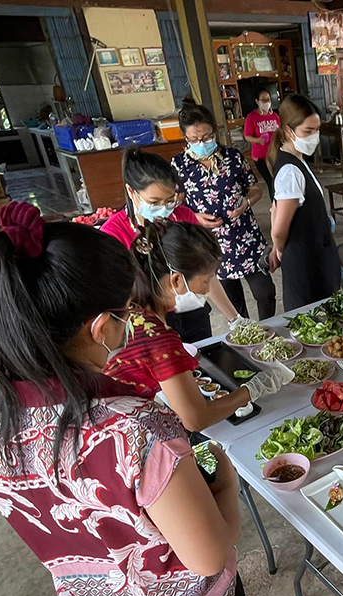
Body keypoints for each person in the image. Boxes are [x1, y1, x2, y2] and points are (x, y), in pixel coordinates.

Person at [0, 201, 268, 596]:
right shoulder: (133, 431)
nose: (129, 326)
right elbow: (208, 556)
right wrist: (226, 481)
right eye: (123, 316)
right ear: (100, 327)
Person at [105, 221, 292, 431]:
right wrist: (253, 389)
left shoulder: (132, 308)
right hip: (119, 428)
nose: (206, 289)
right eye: (206, 280)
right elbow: (195, 420)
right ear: (176, 280)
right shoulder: (158, 337)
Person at [102, 147, 244, 343]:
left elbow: (205, 275)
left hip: (193, 312)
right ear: (131, 192)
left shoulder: (183, 217)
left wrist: (234, 318)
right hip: (147, 326)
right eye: (154, 202)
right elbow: (115, 297)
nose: (163, 209)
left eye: (169, 201)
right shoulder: (113, 234)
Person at [172, 98, 276, 321]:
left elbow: (255, 189)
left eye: (207, 137)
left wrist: (245, 204)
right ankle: (247, 334)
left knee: (265, 293)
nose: (202, 142)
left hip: (246, 236)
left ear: (215, 131)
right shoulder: (179, 166)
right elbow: (175, 206)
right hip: (211, 244)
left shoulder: (233, 157)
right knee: (234, 302)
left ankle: (269, 329)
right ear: (185, 138)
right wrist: (195, 217)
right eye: (195, 139)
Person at [268, 94, 341, 311]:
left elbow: (274, 208)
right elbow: (279, 230)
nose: (314, 137)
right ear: (289, 131)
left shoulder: (297, 159)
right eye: (308, 132)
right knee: (312, 321)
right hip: (305, 261)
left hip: (314, 251)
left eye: (317, 130)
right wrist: (280, 250)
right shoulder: (290, 171)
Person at [243, 89, 280, 197]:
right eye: (263, 100)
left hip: (275, 154)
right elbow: (247, 136)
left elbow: (280, 132)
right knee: (271, 181)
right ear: (257, 101)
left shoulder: (275, 116)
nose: (266, 102)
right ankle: (276, 205)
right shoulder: (252, 117)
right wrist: (258, 140)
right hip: (261, 156)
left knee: (279, 180)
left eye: (268, 99)